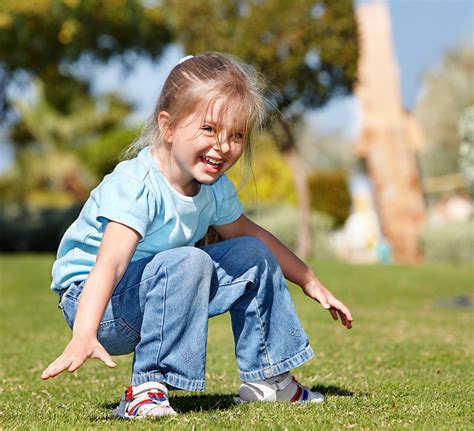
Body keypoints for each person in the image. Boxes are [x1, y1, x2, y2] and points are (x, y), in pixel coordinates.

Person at [41, 52, 353, 419]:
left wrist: (309, 280)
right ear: (168, 127)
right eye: (209, 129)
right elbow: (110, 264)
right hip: (97, 305)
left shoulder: (214, 188)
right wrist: (84, 333)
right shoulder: (138, 184)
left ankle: (271, 380)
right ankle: (145, 390)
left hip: (165, 287)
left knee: (251, 252)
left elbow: (252, 235)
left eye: (236, 134)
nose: (223, 146)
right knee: (189, 258)